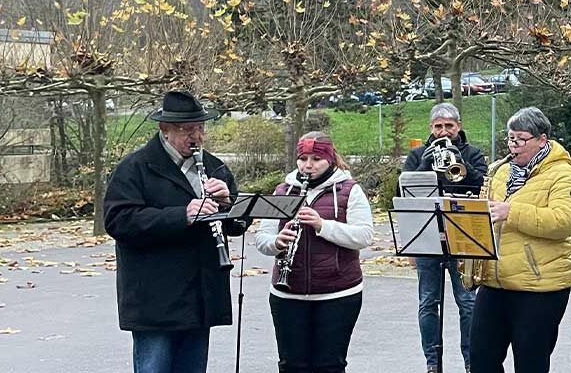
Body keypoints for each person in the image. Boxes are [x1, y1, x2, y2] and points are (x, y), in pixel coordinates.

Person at [103, 91, 247, 373]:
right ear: (165, 130)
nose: (196, 136)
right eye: (187, 129)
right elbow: (118, 220)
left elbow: (235, 226)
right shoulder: (134, 168)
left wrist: (228, 203)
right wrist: (182, 215)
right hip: (155, 298)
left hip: (201, 295)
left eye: (200, 128)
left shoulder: (215, 167)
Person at [471, 107, 571, 373]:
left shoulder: (563, 174)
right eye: (510, 139)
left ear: (542, 139)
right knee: (481, 360)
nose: (513, 146)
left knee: (530, 364)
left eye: (520, 139)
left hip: (539, 286)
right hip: (495, 280)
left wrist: (512, 212)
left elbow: (564, 222)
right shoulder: (500, 171)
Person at [255, 132, 375, 373]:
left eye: (316, 159)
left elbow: (364, 236)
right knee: (291, 365)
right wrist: (278, 241)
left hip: (338, 293)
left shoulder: (349, 190)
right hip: (288, 295)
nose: (308, 165)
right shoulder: (282, 191)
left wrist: (323, 226)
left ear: (330, 159)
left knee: (329, 365)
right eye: (303, 158)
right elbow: (262, 239)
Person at [401, 103, 488, 372]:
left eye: (449, 126)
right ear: (431, 128)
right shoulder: (417, 155)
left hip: (462, 237)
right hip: (427, 237)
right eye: (438, 126)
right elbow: (402, 192)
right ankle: (432, 362)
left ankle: (472, 361)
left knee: (468, 303)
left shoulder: (473, 153)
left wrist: (459, 162)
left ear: (458, 126)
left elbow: (482, 186)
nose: (444, 131)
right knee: (428, 302)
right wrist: (426, 164)